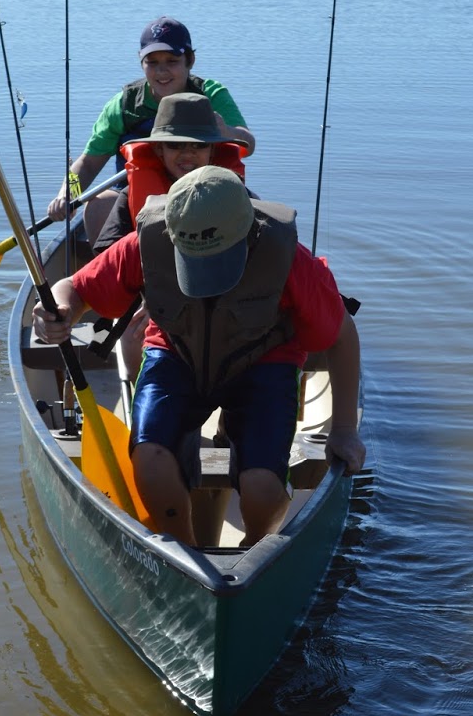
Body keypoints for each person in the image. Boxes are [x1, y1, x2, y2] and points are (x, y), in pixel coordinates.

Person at [33, 165, 365, 548]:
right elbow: (73, 288)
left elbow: (341, 335)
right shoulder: (148, 242)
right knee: (151, 460)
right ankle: (181, 549)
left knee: (261, 485)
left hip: (264, 362)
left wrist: (343, 430)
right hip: (176, 354)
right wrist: (58, 312)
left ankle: (257, 549)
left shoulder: (289, 259)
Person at [46, 17, 254, 242]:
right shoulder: (123, 105)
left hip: (204, 193)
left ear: (190, 60)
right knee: (98, 205)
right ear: (141, 61)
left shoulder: (211, 95)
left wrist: (227, 131)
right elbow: (88, 163)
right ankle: (110, 269)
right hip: (136, 197)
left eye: (172, 61)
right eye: (152, 62)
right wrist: (67, 194)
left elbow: (248, 143)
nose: (162, 71)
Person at [93, 90, 251, 378]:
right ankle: (136, 393)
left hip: (221, 299)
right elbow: (109, 257)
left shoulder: (234, 195)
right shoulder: (131, 195)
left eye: (199, 146)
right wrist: (150, 297)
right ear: (158, 150)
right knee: (133, 332)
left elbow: (265, 249)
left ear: (213, 151)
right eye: (175, 145)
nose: (187, 154)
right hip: (152, 300)